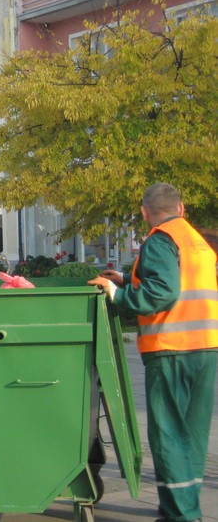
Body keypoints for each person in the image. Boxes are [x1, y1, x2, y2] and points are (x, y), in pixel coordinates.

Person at [89, 183, 218, 522]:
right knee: (190, 436)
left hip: (171, 349)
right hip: (205, 348)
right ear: (182, 207)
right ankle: (184, 509)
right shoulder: (195, 240)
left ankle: (181, 515)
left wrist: (117, 295)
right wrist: (125, 279)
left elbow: (162, 292)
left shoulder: (160, 239)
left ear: (145, 212)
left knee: (168, 437)